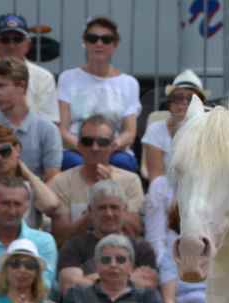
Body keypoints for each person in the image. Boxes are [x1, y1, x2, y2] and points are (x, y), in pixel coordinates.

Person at [57, 16, 140, 172]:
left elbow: (129, 132)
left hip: (114, 150)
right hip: (77, 149)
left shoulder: (129, 83)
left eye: (106, 39)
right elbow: (63, 130)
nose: (99, 44)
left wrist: (108, 148)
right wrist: (88, 150)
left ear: (115, 45)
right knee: (71, 163)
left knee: (124, 164)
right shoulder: (67, 78)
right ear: (85, 42)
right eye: (92, 38)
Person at [50, 114, 143, 244]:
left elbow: (134, 231)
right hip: (77, 257)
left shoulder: (130, 181)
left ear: (112, 146)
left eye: (102, 142)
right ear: (79, 146)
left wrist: (111, 190)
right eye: (88, 142)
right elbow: (61, 238)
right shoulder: (61, 182)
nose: (95, 148)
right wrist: (95, 208)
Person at [0, 57, 61, 182]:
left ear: (21, 86)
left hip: (35, 198)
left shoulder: (48, 130)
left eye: (0, 86)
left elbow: (52, 179)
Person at [57, 180, 156, 294]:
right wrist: (126, 278)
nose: (109, 214)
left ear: (125, 210)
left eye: (114, 207)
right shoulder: (74, 246)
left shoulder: (141, 248)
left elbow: (149, 286)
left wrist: (89, 279)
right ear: (90, 211)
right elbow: (70, 287)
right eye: (102, 208)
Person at [143, 70, 207, 182]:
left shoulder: (208, 132)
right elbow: (156, 177)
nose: (184, 103)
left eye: (191, 99)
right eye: (178, 98)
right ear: (170, 103)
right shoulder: (155, 130)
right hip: (165, 190)